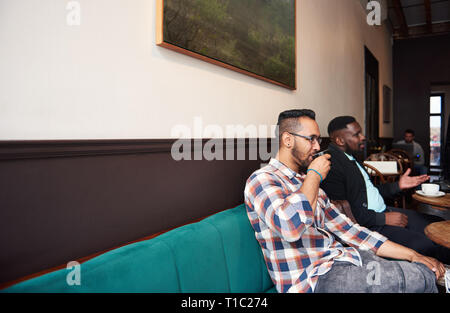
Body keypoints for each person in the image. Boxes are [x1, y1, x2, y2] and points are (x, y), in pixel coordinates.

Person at [244, 109, 444, 293]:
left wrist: (412, 255)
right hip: (313, 279)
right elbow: (290, 227)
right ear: (287, 139)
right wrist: (314, 174)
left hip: (343, 260)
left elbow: (352, 231)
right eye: (311, 139)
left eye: (318, 140)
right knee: (421, 278)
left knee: (419, 266)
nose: (317, 147)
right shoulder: (262, 180)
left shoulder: (309, 184)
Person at [321, 116, 450, 265]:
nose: (363, 137)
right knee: (427, 245)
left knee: (437, 223)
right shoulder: (331, 166)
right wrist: (383, 219)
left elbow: (370, 192)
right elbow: (342, 214)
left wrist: (398, 185)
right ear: (340, 140)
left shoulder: (350, 158)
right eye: (357, 134)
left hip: (383, 211)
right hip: (371, 224)